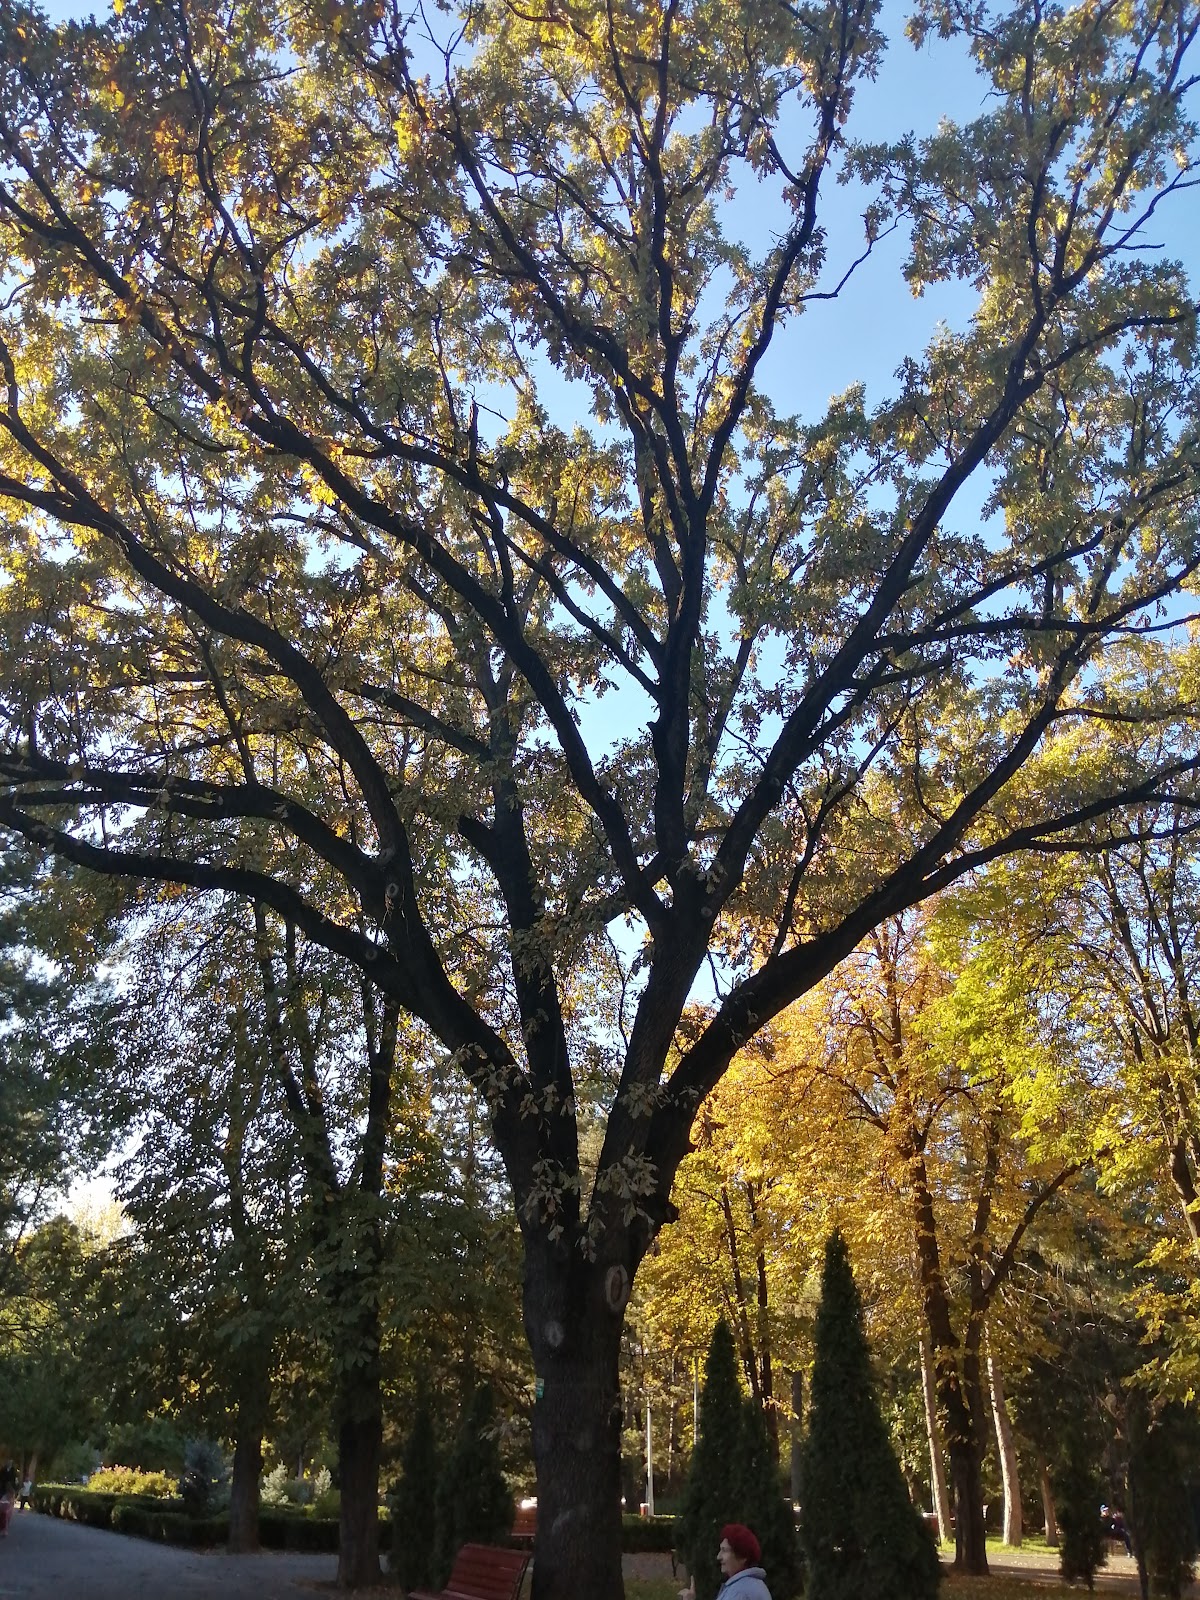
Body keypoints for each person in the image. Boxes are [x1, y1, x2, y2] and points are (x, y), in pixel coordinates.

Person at [679, 1523, 772, 1600]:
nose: (718, 1557)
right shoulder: (752, 1586)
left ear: (742, 1556)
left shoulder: (739, 1592)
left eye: (724, 1550)